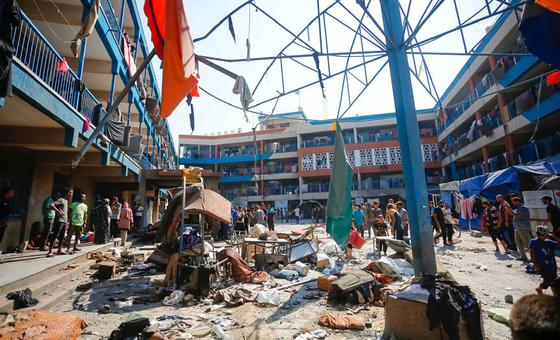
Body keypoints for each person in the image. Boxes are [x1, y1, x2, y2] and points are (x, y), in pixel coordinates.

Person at [529, 225, 558, 295]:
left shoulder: (550, 242)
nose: (546, 237)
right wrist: (535, 265)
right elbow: (532, 254)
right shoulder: (533, 242)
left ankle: (554, 293)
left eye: (546, 235)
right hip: (542, 265)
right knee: (548, 278)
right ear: (538, 235)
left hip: (552, 265)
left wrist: (555, 236)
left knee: (553, 279)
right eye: (544, 235)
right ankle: (539, 289)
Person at [47, 188, 73, 257]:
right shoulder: (61, 199)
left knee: (61, 237)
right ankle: (50, 252)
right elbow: (52, 205)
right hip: (59, 221)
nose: (71, 194)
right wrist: (58, 211)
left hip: (64, 221)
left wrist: (67, 220)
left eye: (72, 193)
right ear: (66, 193)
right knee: (55, 235)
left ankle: (59, 250)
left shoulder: (67, 201)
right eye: (70, 192)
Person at [512, 197, 532, 262]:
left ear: (517, 201)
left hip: (523, 227)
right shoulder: (517, 208)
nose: (513, 203)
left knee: (527, 243)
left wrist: (508, 208)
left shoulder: (523, 208)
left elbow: (516, 215)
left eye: (514, 202)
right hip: (518, 227)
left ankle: (534, 258)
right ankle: (523, 256)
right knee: (518, 242)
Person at [0, 188, 16, 255]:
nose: (13, 195)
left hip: (3, 222)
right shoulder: (1, 199)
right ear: (6, 193)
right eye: (11, 193)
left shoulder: (8, 200)